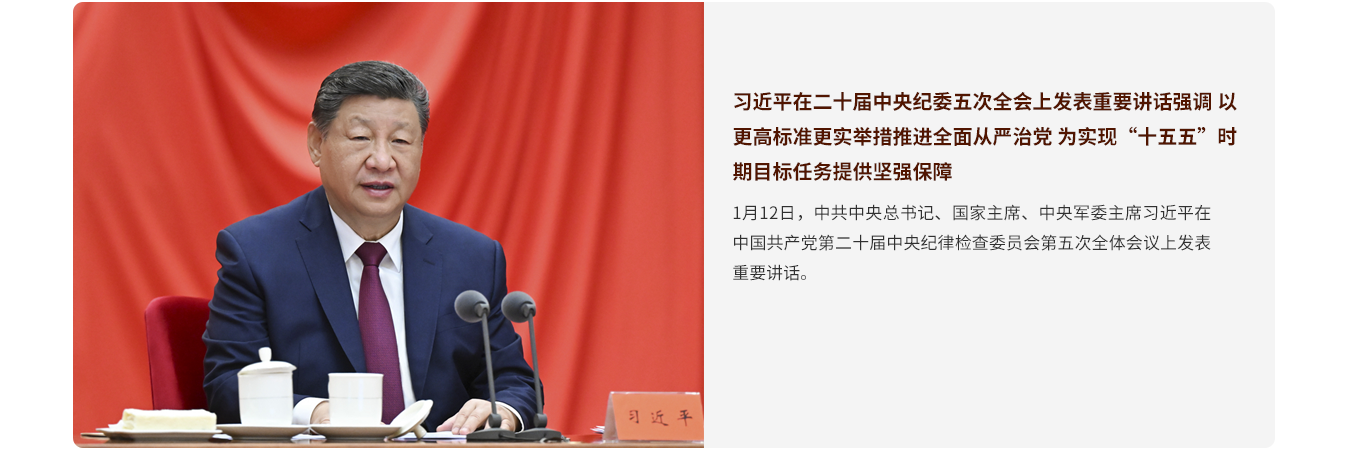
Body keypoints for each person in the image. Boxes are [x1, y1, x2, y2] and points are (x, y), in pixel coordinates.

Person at [202, 61, 538, 434]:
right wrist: (315, 413)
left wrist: (502, 410)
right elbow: (228, 382)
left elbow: (513, 381)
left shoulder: (472, 257)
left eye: (400, 141)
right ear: (316, 144)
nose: (382, 160)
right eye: (361, 137)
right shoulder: (256, 253)